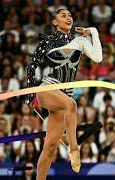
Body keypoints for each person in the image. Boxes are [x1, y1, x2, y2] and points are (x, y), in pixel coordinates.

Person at [24, 8, 102, 179]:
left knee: (50, 146)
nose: (68, 18)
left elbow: (98, 57)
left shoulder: (80, 41)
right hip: (47, 88)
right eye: (63, 15)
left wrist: (93, 32)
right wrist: (30, 95)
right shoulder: (48, 41)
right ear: (55, 22)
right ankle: (74, 149)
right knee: (71, 104)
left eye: (70, 16)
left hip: (65, 95)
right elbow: (31, 66)